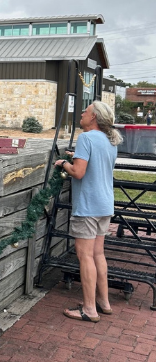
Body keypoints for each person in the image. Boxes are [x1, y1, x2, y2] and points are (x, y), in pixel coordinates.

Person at [54, 101, 122, 322]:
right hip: (105, 204)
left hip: (88, 205)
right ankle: (104, 302)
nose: (82, 113)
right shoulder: (110, 140)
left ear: (94, 117)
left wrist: (64, 163)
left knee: (85, 256)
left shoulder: (86, 138)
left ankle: (89, 309)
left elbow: (78, 172)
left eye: (86, 111)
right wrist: (77, 156)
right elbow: (95, 165)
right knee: (98, 254)